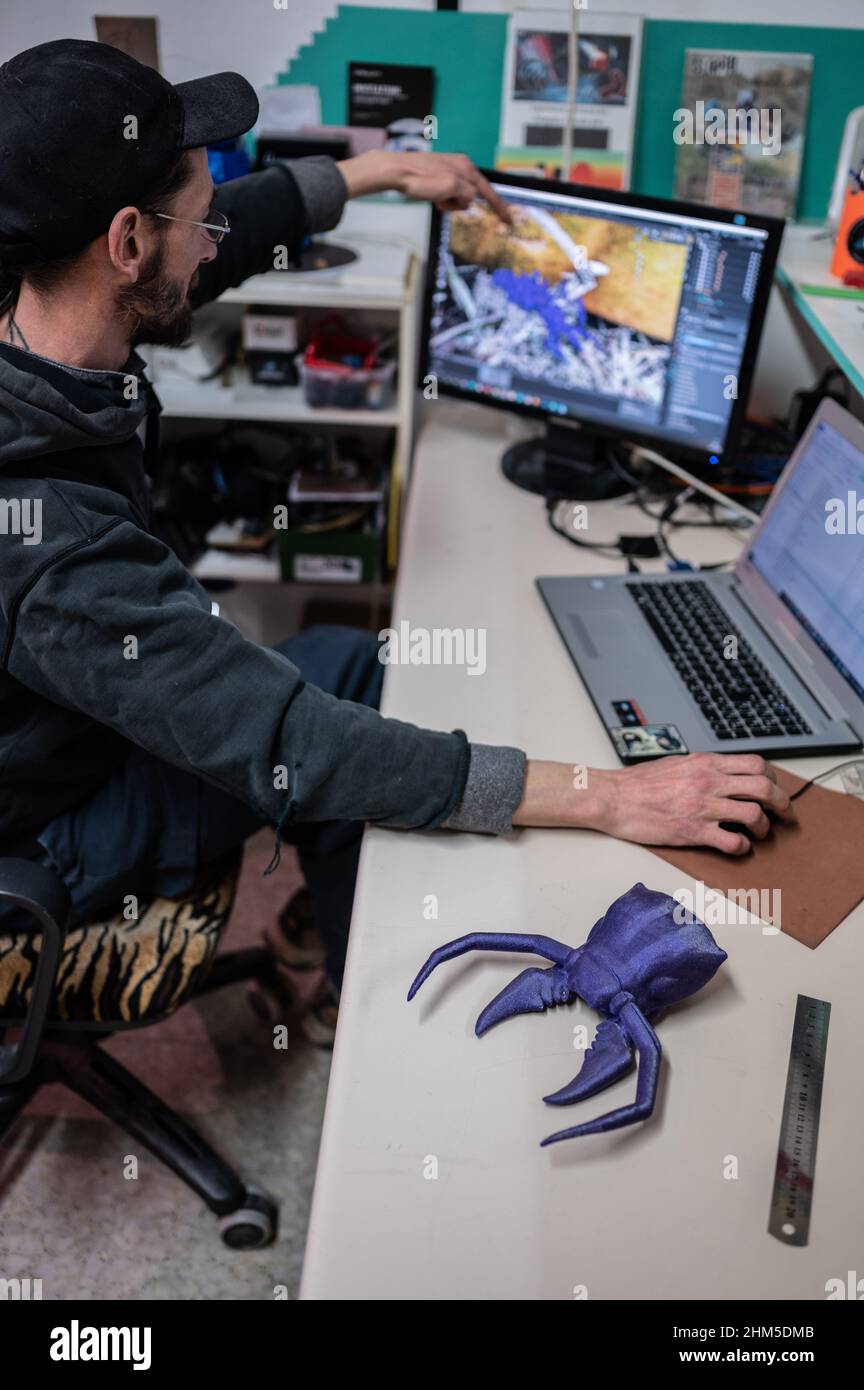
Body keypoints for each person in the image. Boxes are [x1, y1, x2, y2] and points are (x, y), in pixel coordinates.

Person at [0, 41, 795, 1039]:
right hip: (45, 834)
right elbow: (289, 743)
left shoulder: (36, 301)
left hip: (56, 730)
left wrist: (384, 172)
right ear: (125, 241)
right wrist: (613, 798)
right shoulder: (46, 534)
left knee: (344, 660)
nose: (214, 236)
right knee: (336, 749)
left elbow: (232, 239)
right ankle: (362, 1007)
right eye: (199, 214)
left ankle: (329, 913)